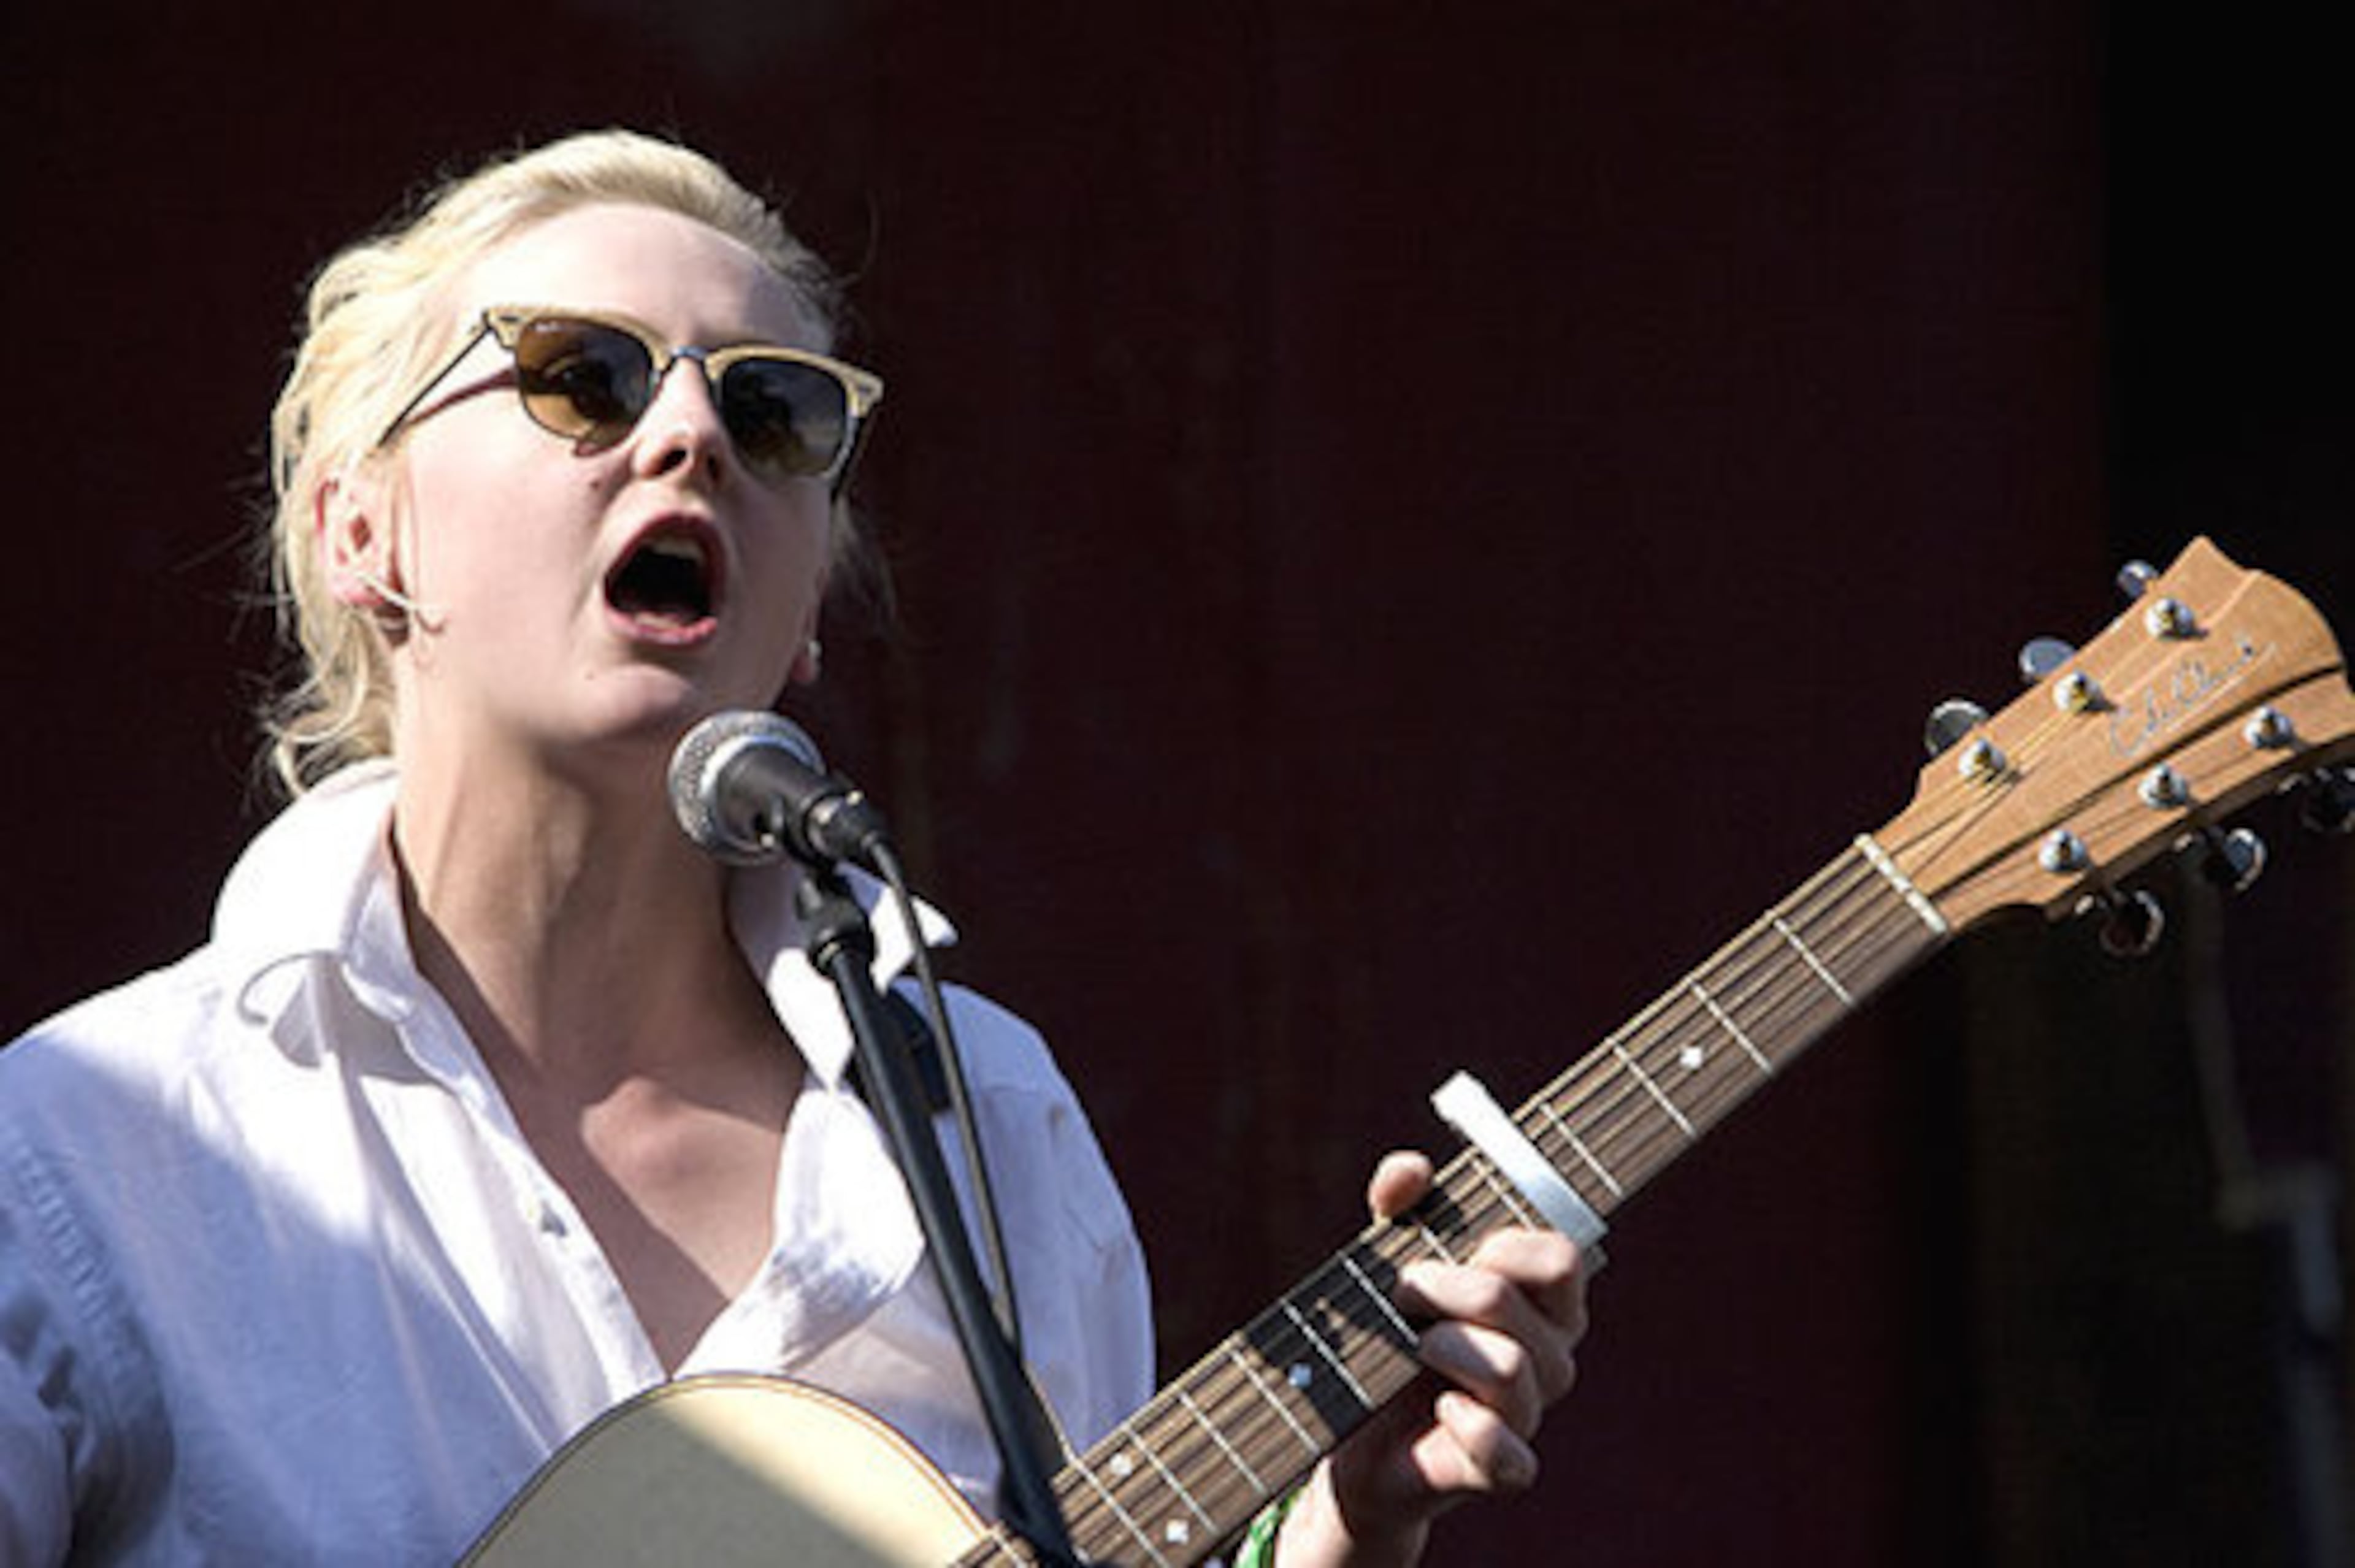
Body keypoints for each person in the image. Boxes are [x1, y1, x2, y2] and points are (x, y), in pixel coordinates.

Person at [0, 129, 1588, 1566]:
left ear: (810, 608)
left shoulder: (993, 1132)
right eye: (582, 376)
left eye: (774, 410)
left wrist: (1341, 1535)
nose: (691, 432)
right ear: (366, 532)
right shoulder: (87, 1154)